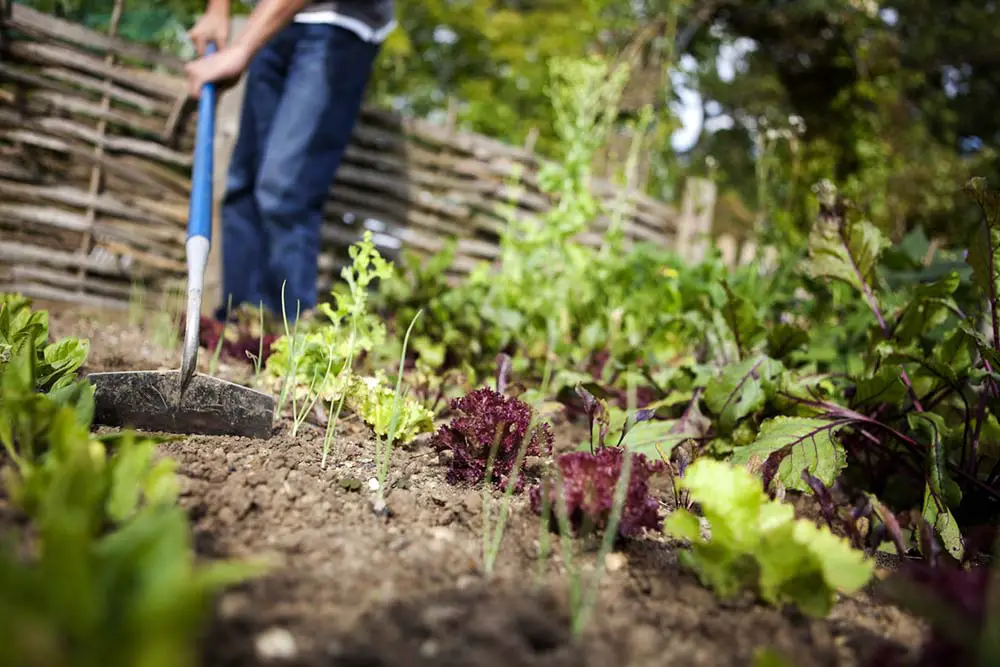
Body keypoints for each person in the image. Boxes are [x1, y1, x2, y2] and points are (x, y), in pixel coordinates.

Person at [184, 0, 395, 323]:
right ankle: (238, 328)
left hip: (339, 26)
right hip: (272, 20)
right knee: (243, 183)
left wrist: (241, 49)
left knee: (283, 188)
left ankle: (283, 334)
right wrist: (217, 10)